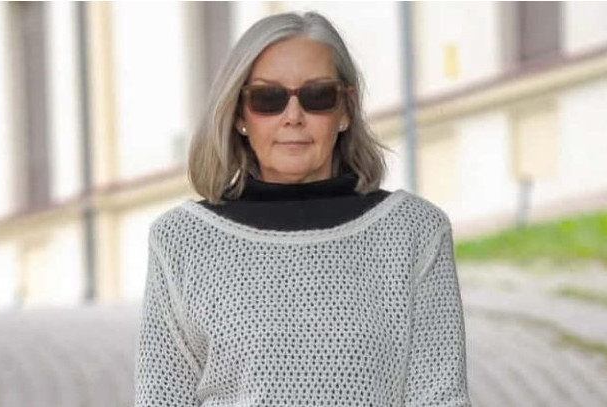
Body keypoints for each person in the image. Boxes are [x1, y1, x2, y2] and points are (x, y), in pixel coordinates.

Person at [134, 10, 471, 407]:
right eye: (268, 99)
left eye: (317, 97)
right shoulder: (182, 241)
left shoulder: (414, 232)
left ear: (345, 109)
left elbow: (440, 397)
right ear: (240, 115)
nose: (293, 117)